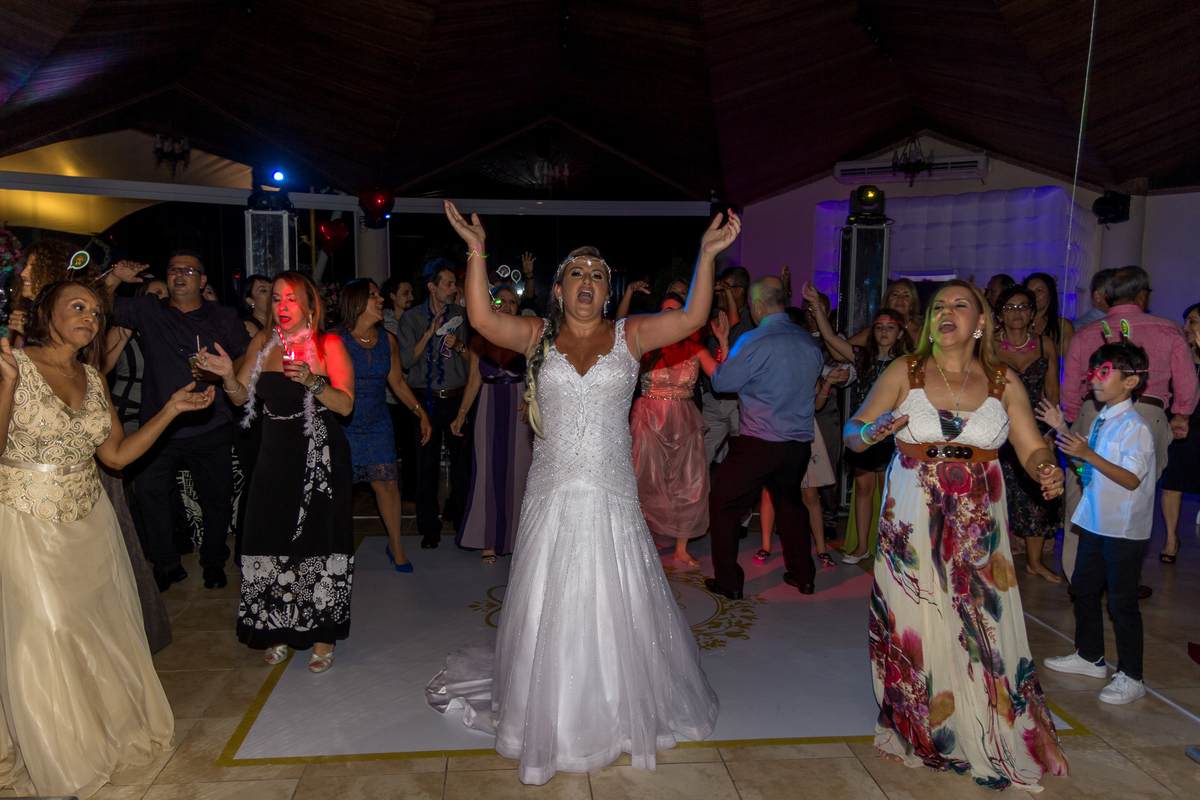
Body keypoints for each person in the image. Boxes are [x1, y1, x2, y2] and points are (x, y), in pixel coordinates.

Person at [428, 200, 736, 785]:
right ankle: (549, 716)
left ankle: (617, 713)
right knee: (552, 602)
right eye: (578, 274)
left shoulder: (632, 334)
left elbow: (694, 317)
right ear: (560, 288)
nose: (589, 283)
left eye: (598, 275)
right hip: (552, 493)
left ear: (608, 287)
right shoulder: (537, 337)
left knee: (615, 601)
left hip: (612, 492)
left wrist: (708, 253)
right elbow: (483, 320)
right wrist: (476, 250)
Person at [846, 279, 1067, 790]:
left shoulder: (1003, 380)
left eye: (960, 305)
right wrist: (871, 432)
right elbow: (855, 434)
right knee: (918, 625)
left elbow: (1032, 449)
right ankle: (923, 728)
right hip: (912, 519)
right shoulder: (907, 371)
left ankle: (984, 726)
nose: (947, 312)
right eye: (938, 306)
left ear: (982, 321)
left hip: (978, 524)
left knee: (980, 625)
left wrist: (1047, 468)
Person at [0, 281, 215, 798]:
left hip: (90, 520)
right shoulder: (13, 363)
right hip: (25, 518)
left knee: (97, 628)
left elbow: (116, 457)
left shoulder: (93, 377)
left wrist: (171, 409)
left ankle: (99, 733)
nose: (91, 317)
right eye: (77, 306)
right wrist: (6, 384)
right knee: (45, 632)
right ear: (45, 311)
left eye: (97, 312)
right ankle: (58, 754)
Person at [203, 272, 355, 673]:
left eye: (292, 299)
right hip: (273, 452)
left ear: (310, 306)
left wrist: (312, 380)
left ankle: (322, 636)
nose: (282, 307)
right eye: (275, 299)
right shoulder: (262, 343)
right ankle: (277, 627)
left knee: (316, 539)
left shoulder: (329, 344)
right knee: (267, 534)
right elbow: (241, 398)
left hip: (318, 457)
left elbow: (344, 406)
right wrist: (226, 377)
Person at [106, 251, 251, 591]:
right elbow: (100, 306)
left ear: (202, 281)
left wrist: (226, 369)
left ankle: (214, 562)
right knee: (151, 497)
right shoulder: (148, 311)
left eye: (188, 270)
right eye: (172, 270)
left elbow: (246, 351)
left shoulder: (224, 316)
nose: (178, 276)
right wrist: (114, 278)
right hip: (159, 426)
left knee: (216, 499)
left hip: (211, 422)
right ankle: (167, 564)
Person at [1059, 266, 1199, 581]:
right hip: (1148, 414)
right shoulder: (1169, 330)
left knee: (1080, 497)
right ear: (1142, 295)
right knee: (1132, 498)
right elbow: (1187, 384)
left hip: (1092, 411)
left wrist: (1073, 420)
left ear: (1107, 296)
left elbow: (1070, 389)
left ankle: (1078, 578)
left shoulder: (1086, 333)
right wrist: (1181, 415)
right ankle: (1121, 582)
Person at [1043, 343, 1155, 705]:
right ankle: (1090, 657)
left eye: (1104, 372)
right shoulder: (1103, 420)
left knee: (1121, 603)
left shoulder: (1134, 427)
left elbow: (1130, 479)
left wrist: (1087, 453)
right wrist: (1063, 431)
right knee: (1084, 589)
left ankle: (1132, 675)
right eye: (1093, 371)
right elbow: (1087, 471)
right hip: (1094, 521)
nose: (1095, 379)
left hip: (1121, 529)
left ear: (1131, 381)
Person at [706, 276, 825, 597]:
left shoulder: (754, 341)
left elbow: (721, 383)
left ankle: (729, 583)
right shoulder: (808, 343)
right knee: (791, 506)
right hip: (798, 445)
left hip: (759, 443)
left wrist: (723, 348)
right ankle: (804, 576)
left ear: (757, 306)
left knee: (723, 505)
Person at [807, 291, 912, 564]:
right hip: (864, 434)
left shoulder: (909, 364)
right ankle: (862, 546)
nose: (884, 332)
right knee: (863, 490)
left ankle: (887, 548)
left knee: (889, 494)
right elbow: (830, 339)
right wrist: (818, 308)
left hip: (893, 434)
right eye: (879, 328)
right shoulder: (862, 356)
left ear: (901, 334)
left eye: (890, 328)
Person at [335, 279, 431, 571]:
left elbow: (398, 383)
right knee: (339, 492)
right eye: (374, 295)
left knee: (388, 486)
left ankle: (397, 546)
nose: (380, 300)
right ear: (356, 302)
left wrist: (420, 413)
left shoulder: (387, 341)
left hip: (377, 424)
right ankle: (335, 549)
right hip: (342, 425)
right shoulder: (334, 340)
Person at [631, 293, 726, 567]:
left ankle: (681, 549)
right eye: (667, 311)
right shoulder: (647, 349)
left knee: (689, 484)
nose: (672, 317)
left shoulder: (695, 349)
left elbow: (722, 379)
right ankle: (642, 546)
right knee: (644, 483)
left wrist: (722, 342)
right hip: (649, 418)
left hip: (684, 420)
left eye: (678, 311)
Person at [452, 284, 534, 561]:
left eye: (512, 301)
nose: (507, 305)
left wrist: (533, 399)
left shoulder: (528, 336)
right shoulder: (479, 339)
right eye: (501, 300)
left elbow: (540, 375)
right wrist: (461, 414)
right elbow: (474, 379)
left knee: (520, 473)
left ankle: (518, 538)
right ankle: (487, 539)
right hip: (488, 404)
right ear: (491, 305)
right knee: (486, 470)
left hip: (520, 406)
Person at [396, 258, 473, 548]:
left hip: (457, 398)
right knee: (425, 467)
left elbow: (472, 362)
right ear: (432, 287)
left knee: (462, 467)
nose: (455, 289)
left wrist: (459, 345)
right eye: (449, 284)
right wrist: (429, 334)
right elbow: (405, 361)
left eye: (455, 283)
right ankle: (429, 527)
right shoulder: (411, 319)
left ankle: (465, 526)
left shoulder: (463, 316)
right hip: (423, 400)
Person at [992, 285, 1061, 583]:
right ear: (999, 314)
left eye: (1023, 306)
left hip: (1034, 429)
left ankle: (1035, 562)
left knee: (1036, 492)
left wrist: (1051, 433)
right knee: (994, 495)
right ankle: (991, 559)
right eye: (1009, 307)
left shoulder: (1045, 344)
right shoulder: (988, 346)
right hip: (995, 427)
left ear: (1033, 312)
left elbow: (1053, 392)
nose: (1016, 312)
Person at [1159, 302, 1200, 563]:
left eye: (1192, 322)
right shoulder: (1179, 354)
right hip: (1181, 426)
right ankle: (1171, 539)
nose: (1185, 328)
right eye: (1186, 322)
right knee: (1173, 483)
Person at [380, 275, 418, 499]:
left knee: (412, 447)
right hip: (387, 396)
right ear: (392, 296)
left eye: (412, 292)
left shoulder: (416, 320)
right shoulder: (381, 321)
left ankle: (411, 492)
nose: (411, 297)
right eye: (406, 293)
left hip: (411, 393)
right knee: (391, 448)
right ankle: (388, 491)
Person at [848, 278, 922, 348]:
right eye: (895, 294)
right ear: (887, 301)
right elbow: (841, 354)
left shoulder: (922, 333)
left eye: (906, 296)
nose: (900, 299)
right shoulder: (874, 331)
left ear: (912, 304)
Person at [1024, 271, 1074, 359]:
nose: (1034, 295)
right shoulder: (1018, 321)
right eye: (1029, 291)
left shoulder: (1062, 326)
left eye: (1039, 290)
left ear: (1050, 293)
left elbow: (1071, 363)